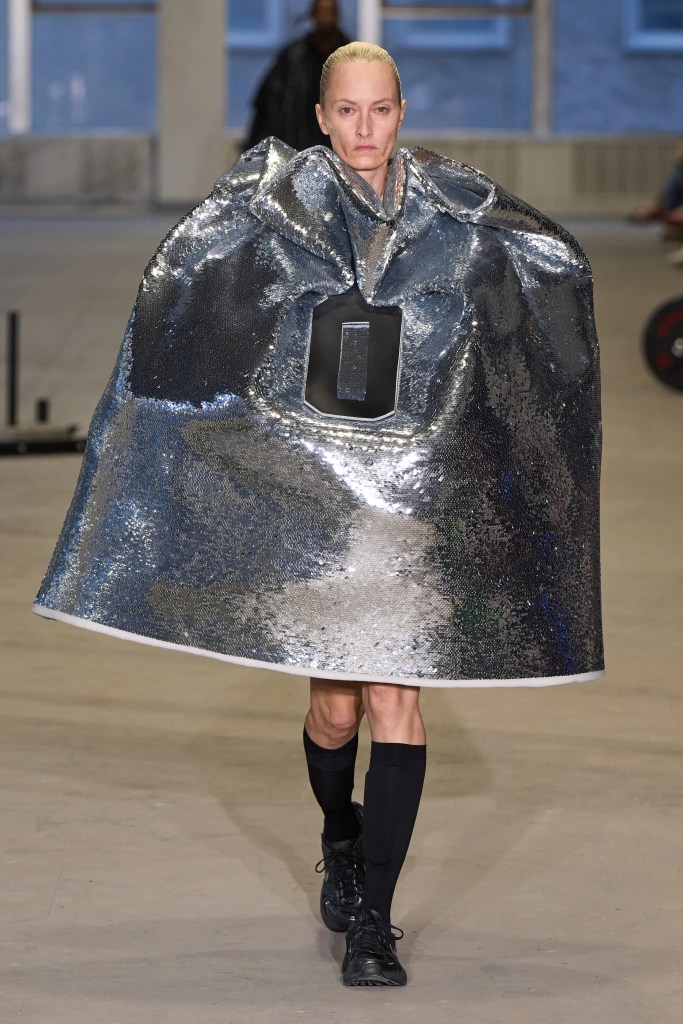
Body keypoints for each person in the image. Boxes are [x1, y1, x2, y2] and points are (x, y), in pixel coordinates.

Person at [34, 44, 603, 988]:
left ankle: (374, 920)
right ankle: (340, 837)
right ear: (322, 117)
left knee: (394, 702)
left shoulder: (450, 208)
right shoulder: (279, 209)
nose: (364, 129)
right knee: (335, 712)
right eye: (347, 111)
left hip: (408, 502)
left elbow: (534, 272)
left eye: (380, 110)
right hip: (323, 501)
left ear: (401, 112)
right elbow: (205, 290)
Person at [244, 0, 349, 152]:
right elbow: (267, 106)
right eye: (321, 11)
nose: (325, 17)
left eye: (329, 12)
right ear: (313, 15)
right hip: (298, 149)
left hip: (341, 151)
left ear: (337, 15)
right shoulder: (294, 58)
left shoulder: (352, 59)